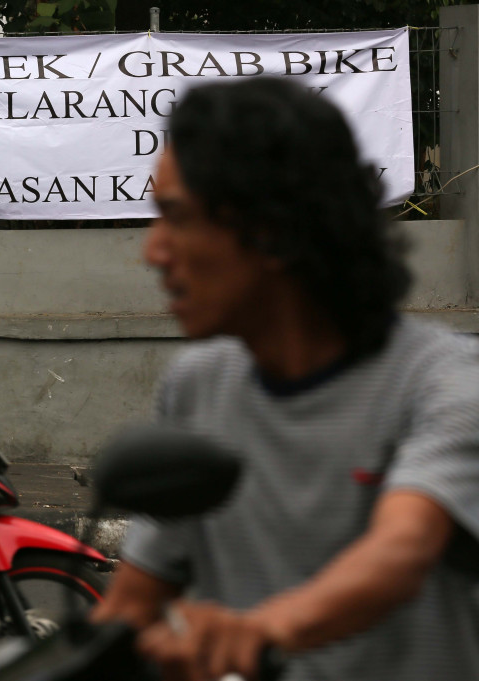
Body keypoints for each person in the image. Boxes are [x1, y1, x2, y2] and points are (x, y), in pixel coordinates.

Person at [91, 78, 479, 681]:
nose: (153, 252)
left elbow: (403, 549)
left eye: (178, 218)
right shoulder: (197, 384)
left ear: (271, 229)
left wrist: (263, 631)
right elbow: (132, 606)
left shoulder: (443, 382)